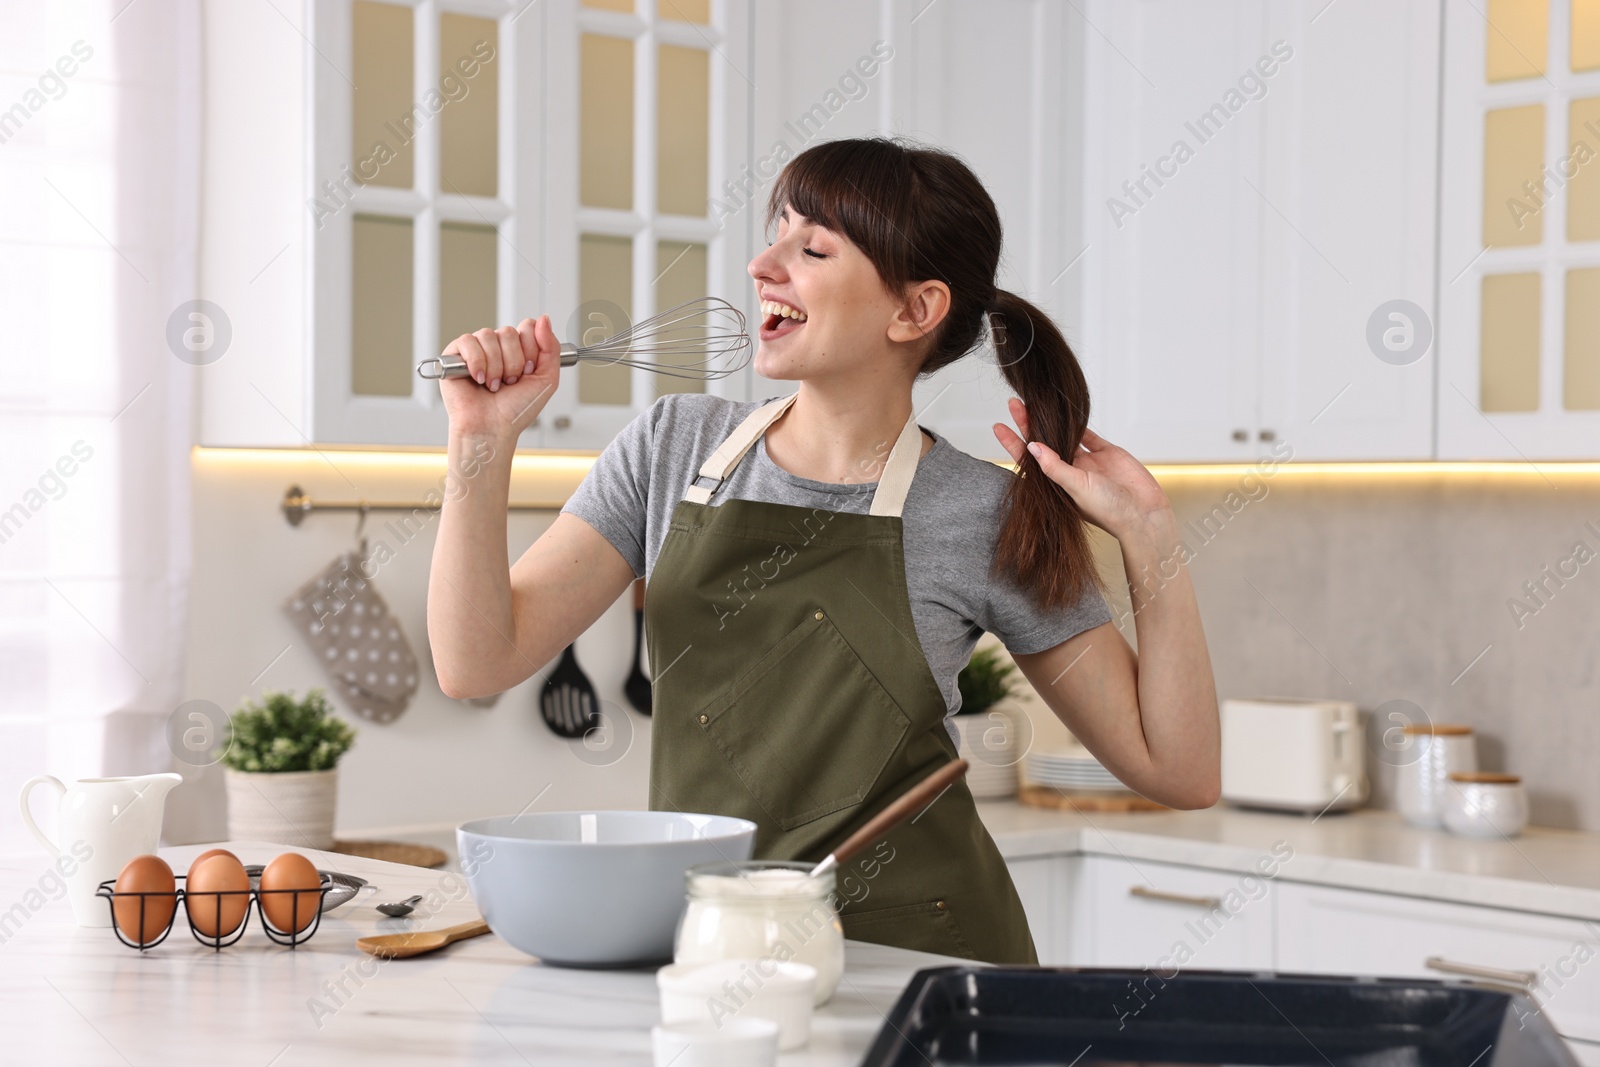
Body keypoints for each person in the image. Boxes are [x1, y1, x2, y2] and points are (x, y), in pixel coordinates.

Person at [427, 136, 1219, 964]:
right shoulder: (672, 447)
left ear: (914, 311)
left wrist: (1149, 533)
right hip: (722, 950)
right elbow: (473, 662)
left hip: (918, 962)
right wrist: (478, 441)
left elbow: (1180, 770)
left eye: (811, 248)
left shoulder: (980, 511)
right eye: (777, 233)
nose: (764, 264)